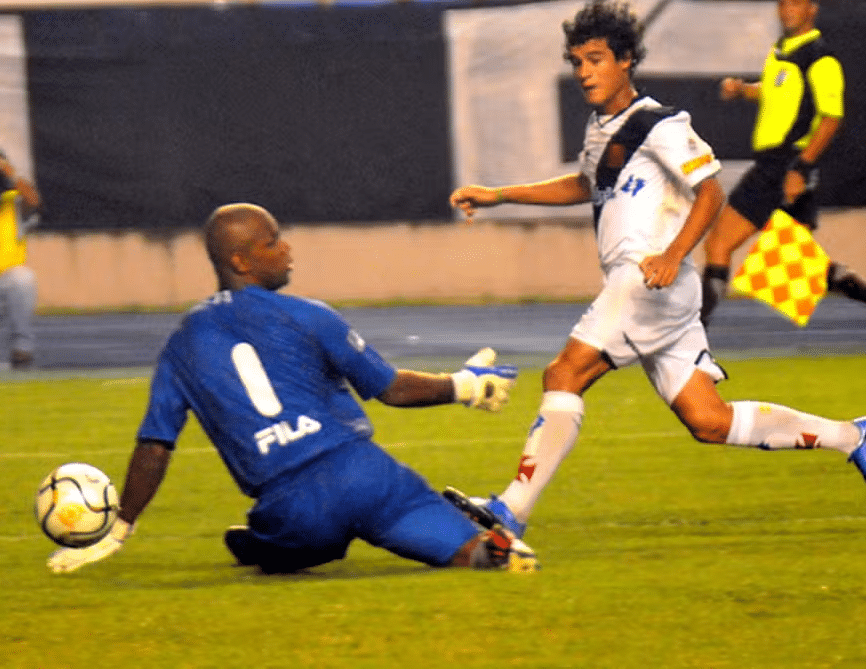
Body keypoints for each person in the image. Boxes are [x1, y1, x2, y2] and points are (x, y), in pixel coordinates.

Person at [444, 0, 866, 541]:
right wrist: (499, 194)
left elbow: (710, 192)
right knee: (710, 420)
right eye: (577, 62)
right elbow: (585, 184)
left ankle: (511, 509)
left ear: (625, 60)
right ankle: (852, 436)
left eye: (595, 60)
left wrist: (674, 254)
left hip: (648, 280)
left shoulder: (659, 124)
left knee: (564, 374)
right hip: (658, 287)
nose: (584, 72)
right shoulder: (601, 127)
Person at [47, 202, 537, 575]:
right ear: (239, 261)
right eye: (272, 242)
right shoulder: (309, 314)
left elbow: (155, 447)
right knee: (470, 552)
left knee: (283, 548)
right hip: (366, 474)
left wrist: (120, 526)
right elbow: (392, 390)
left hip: (293, 504)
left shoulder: (182, 344)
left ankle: (263, 542)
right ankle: (492, 549)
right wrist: (464, 386)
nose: (287, 250)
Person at [701, 0, 866, 356]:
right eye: (782, 2)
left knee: (721, 243)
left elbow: (831, 118)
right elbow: (775, 93)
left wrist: (800, 168)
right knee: (791, 261)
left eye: (795, 2)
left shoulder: (820, 57)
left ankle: (691, 339)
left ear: (812, 9)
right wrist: (744, 90)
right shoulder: (782, 51)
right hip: (775, 163)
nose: (786, 9)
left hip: (784, 164)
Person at [0, 140, 41, 369]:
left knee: (22, 278)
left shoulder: (13, 202)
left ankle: (22, 349)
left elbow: (33, 200)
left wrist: (2, 166)